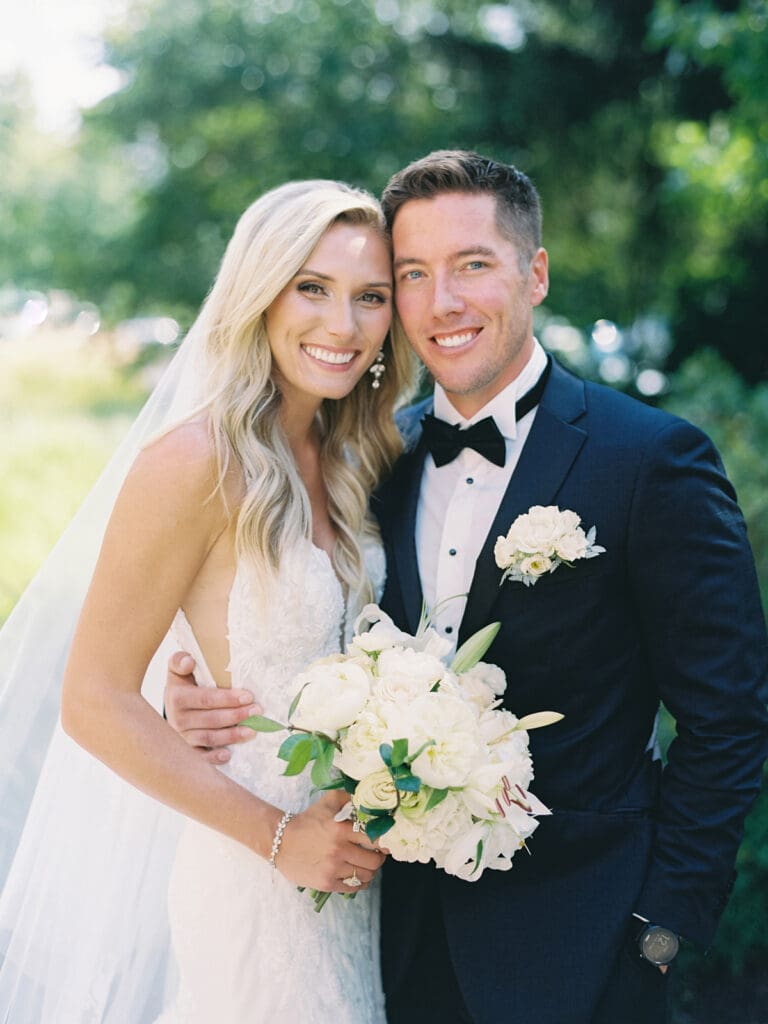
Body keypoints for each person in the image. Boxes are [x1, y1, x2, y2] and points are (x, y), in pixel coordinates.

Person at [166, 151, 768, 1024]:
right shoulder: (370, 461)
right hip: (386, 940)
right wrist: (203, 699)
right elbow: (306, 636)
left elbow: (729, 718)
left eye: (472, 266)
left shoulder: (650, 462)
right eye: (412, 275)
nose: (441, 303)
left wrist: (661, 932)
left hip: (585, 947)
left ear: (536, 274)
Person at [0, 179, 417, 1022]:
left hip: (352, 875)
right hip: (252, 870)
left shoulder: (359, 455)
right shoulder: (193, 461)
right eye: (312, 287)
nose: (342, 325)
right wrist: (276, 836)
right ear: (259, 293)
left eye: (370, 298)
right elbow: (91, 699)